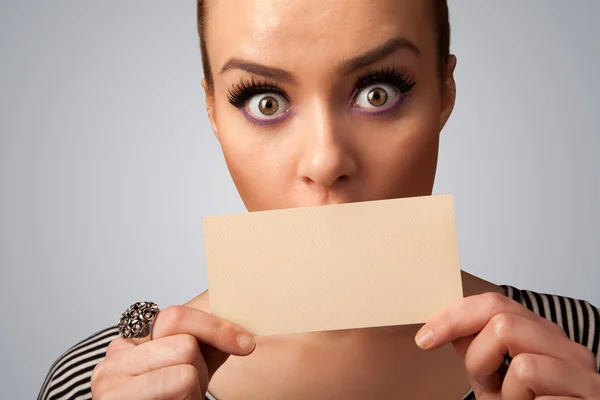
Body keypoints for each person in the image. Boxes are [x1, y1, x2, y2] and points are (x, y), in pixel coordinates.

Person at [38, 0, 600, 399]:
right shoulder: (91, 384)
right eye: (263, 101)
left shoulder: (579, 347)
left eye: (378, 91)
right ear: (212, 111)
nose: (326, 161)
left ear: (444, 93)